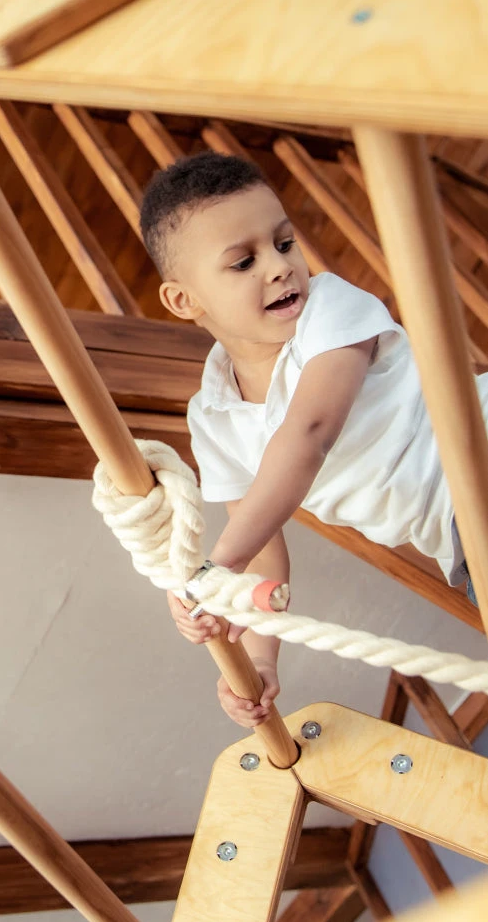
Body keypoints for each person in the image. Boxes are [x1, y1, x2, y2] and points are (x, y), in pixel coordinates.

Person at [140, 151, 481, 730]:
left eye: (284, 242)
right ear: (184, 300)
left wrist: (215, 567)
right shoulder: (214, 418)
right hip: (456, 538)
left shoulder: (332, 310)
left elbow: (309, 435)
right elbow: (265, 542)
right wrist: (259, 655)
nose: (278, 267)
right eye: (244, 262)